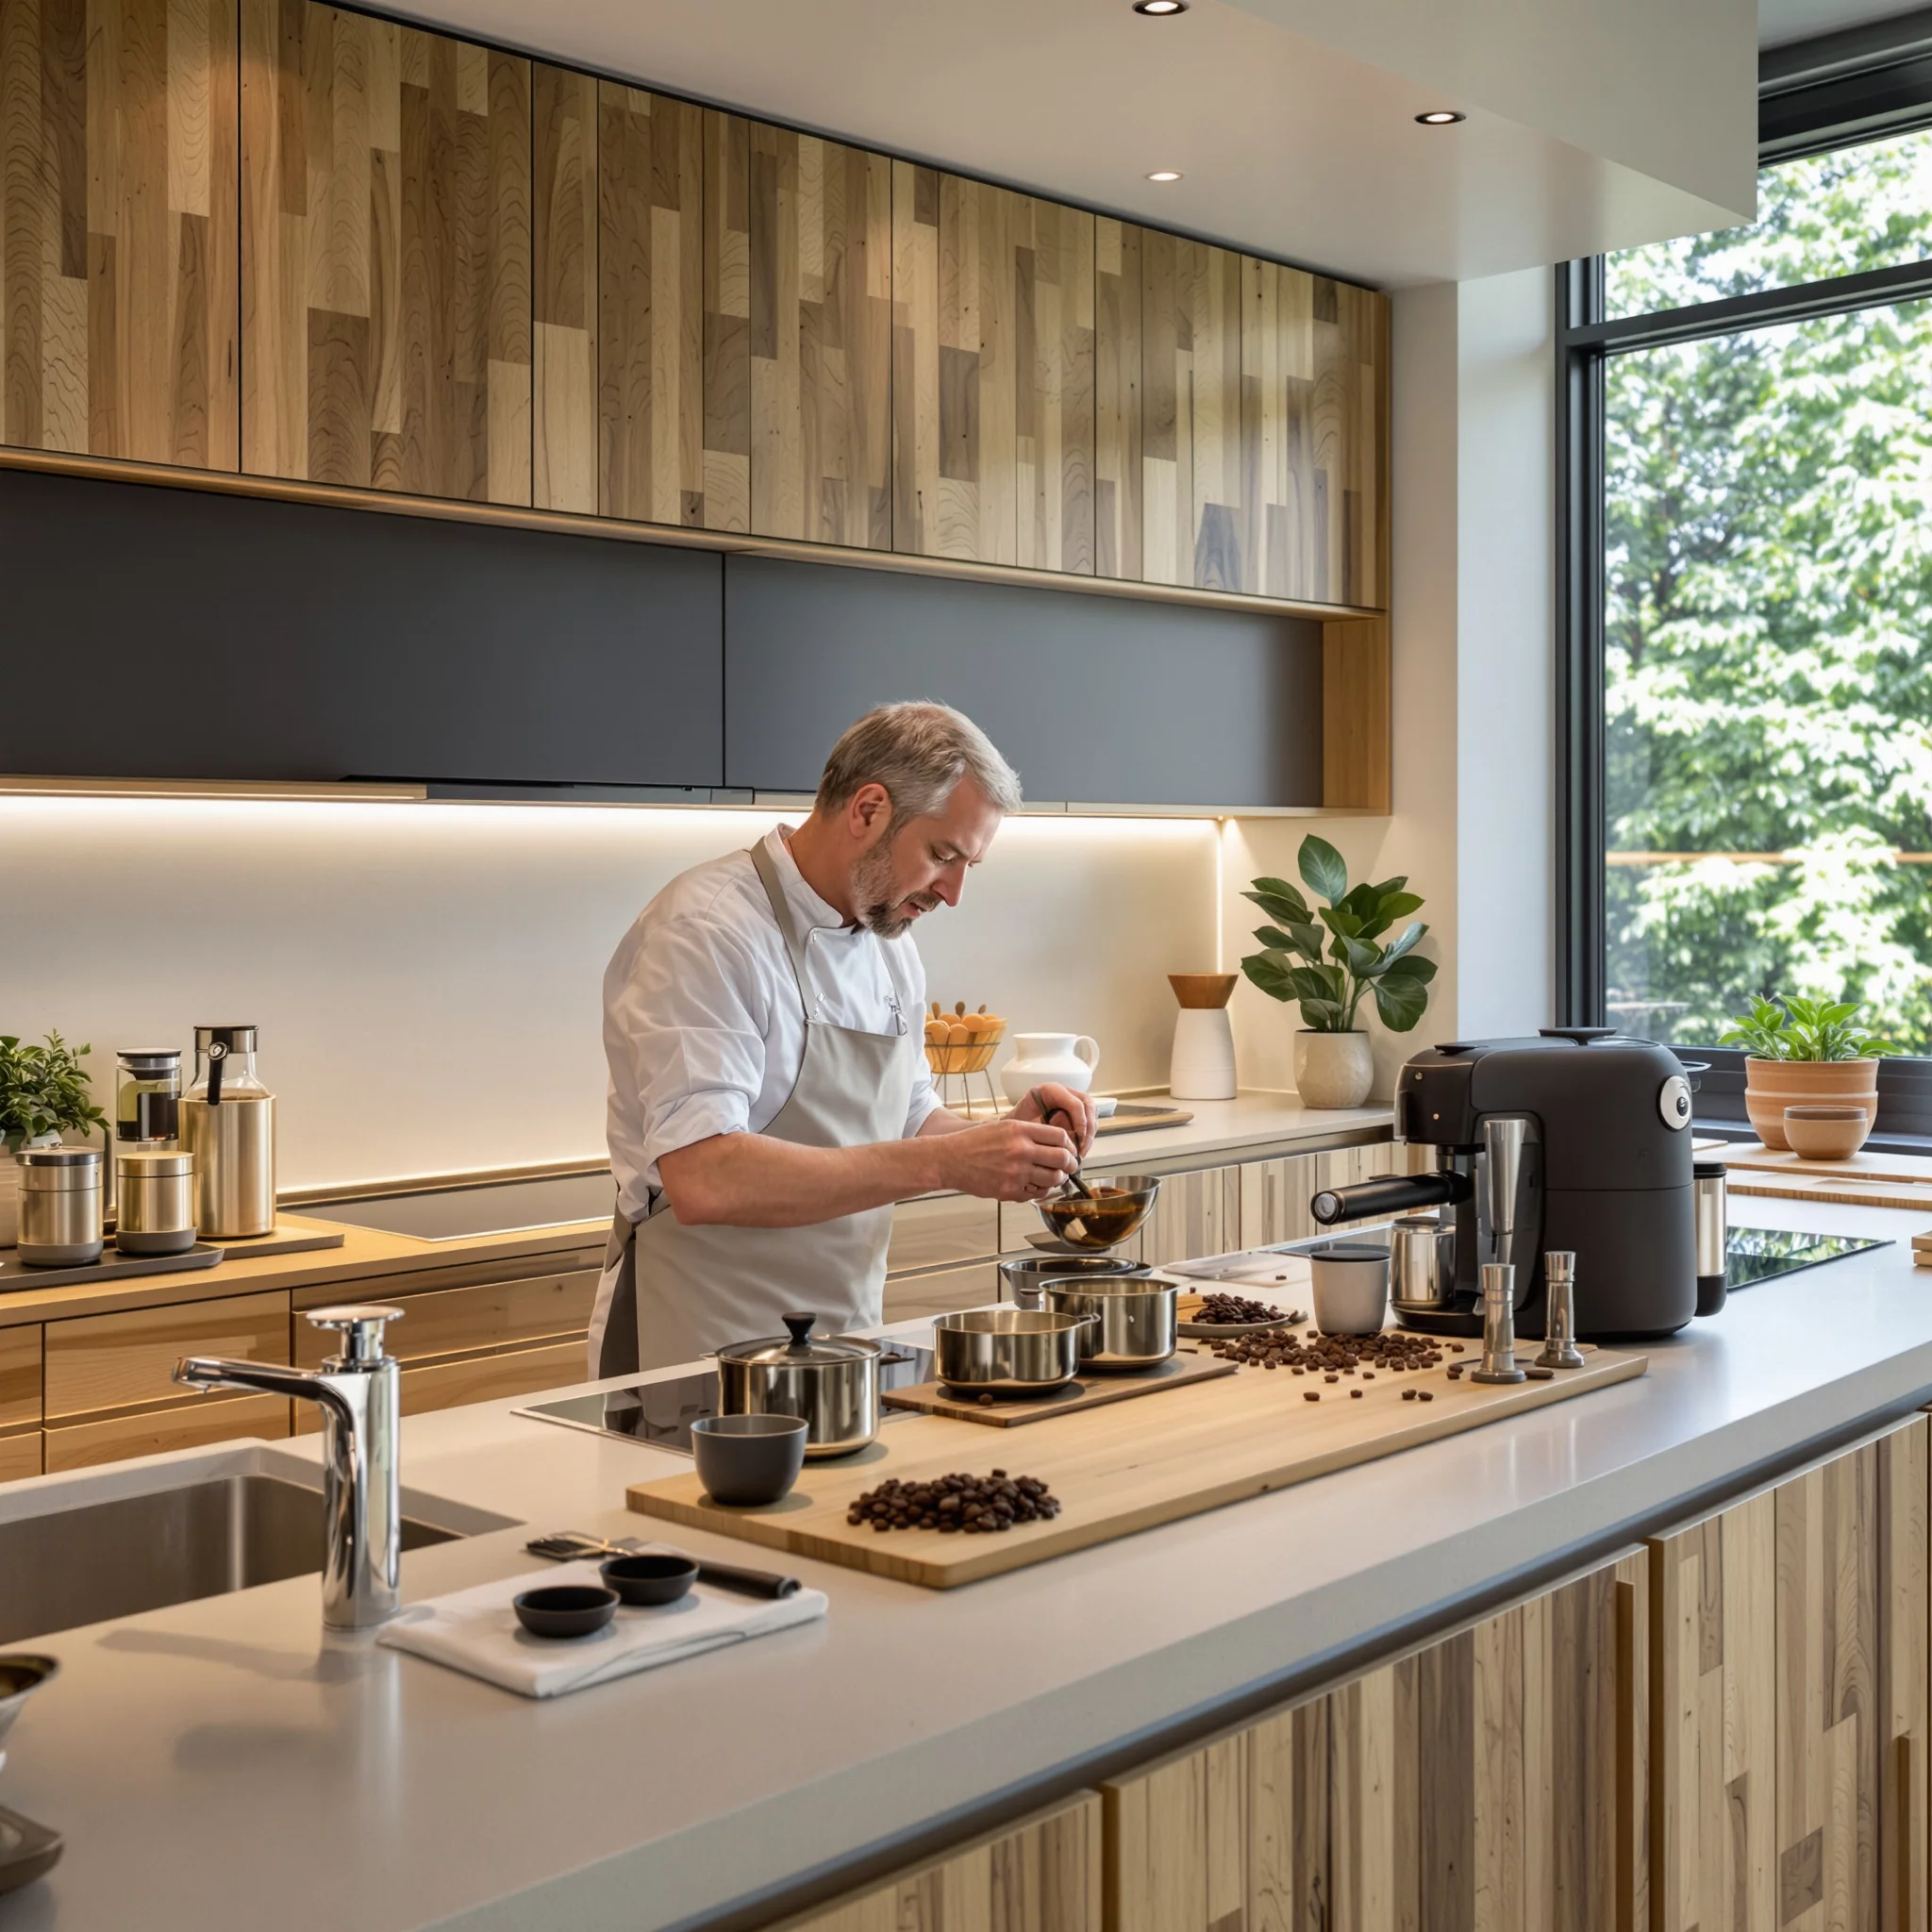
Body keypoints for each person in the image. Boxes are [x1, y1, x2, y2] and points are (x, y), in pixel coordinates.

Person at [589, 702, 1096, 1374]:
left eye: (969, 864)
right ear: (867, 811)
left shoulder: (888, 946)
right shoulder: (707, 931)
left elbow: (909, 1115)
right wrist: (948, 1165)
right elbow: (705, 1177)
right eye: (943, 856)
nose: (953, 893)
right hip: (695, 1353)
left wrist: (1005, 1143)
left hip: (842, 1348)